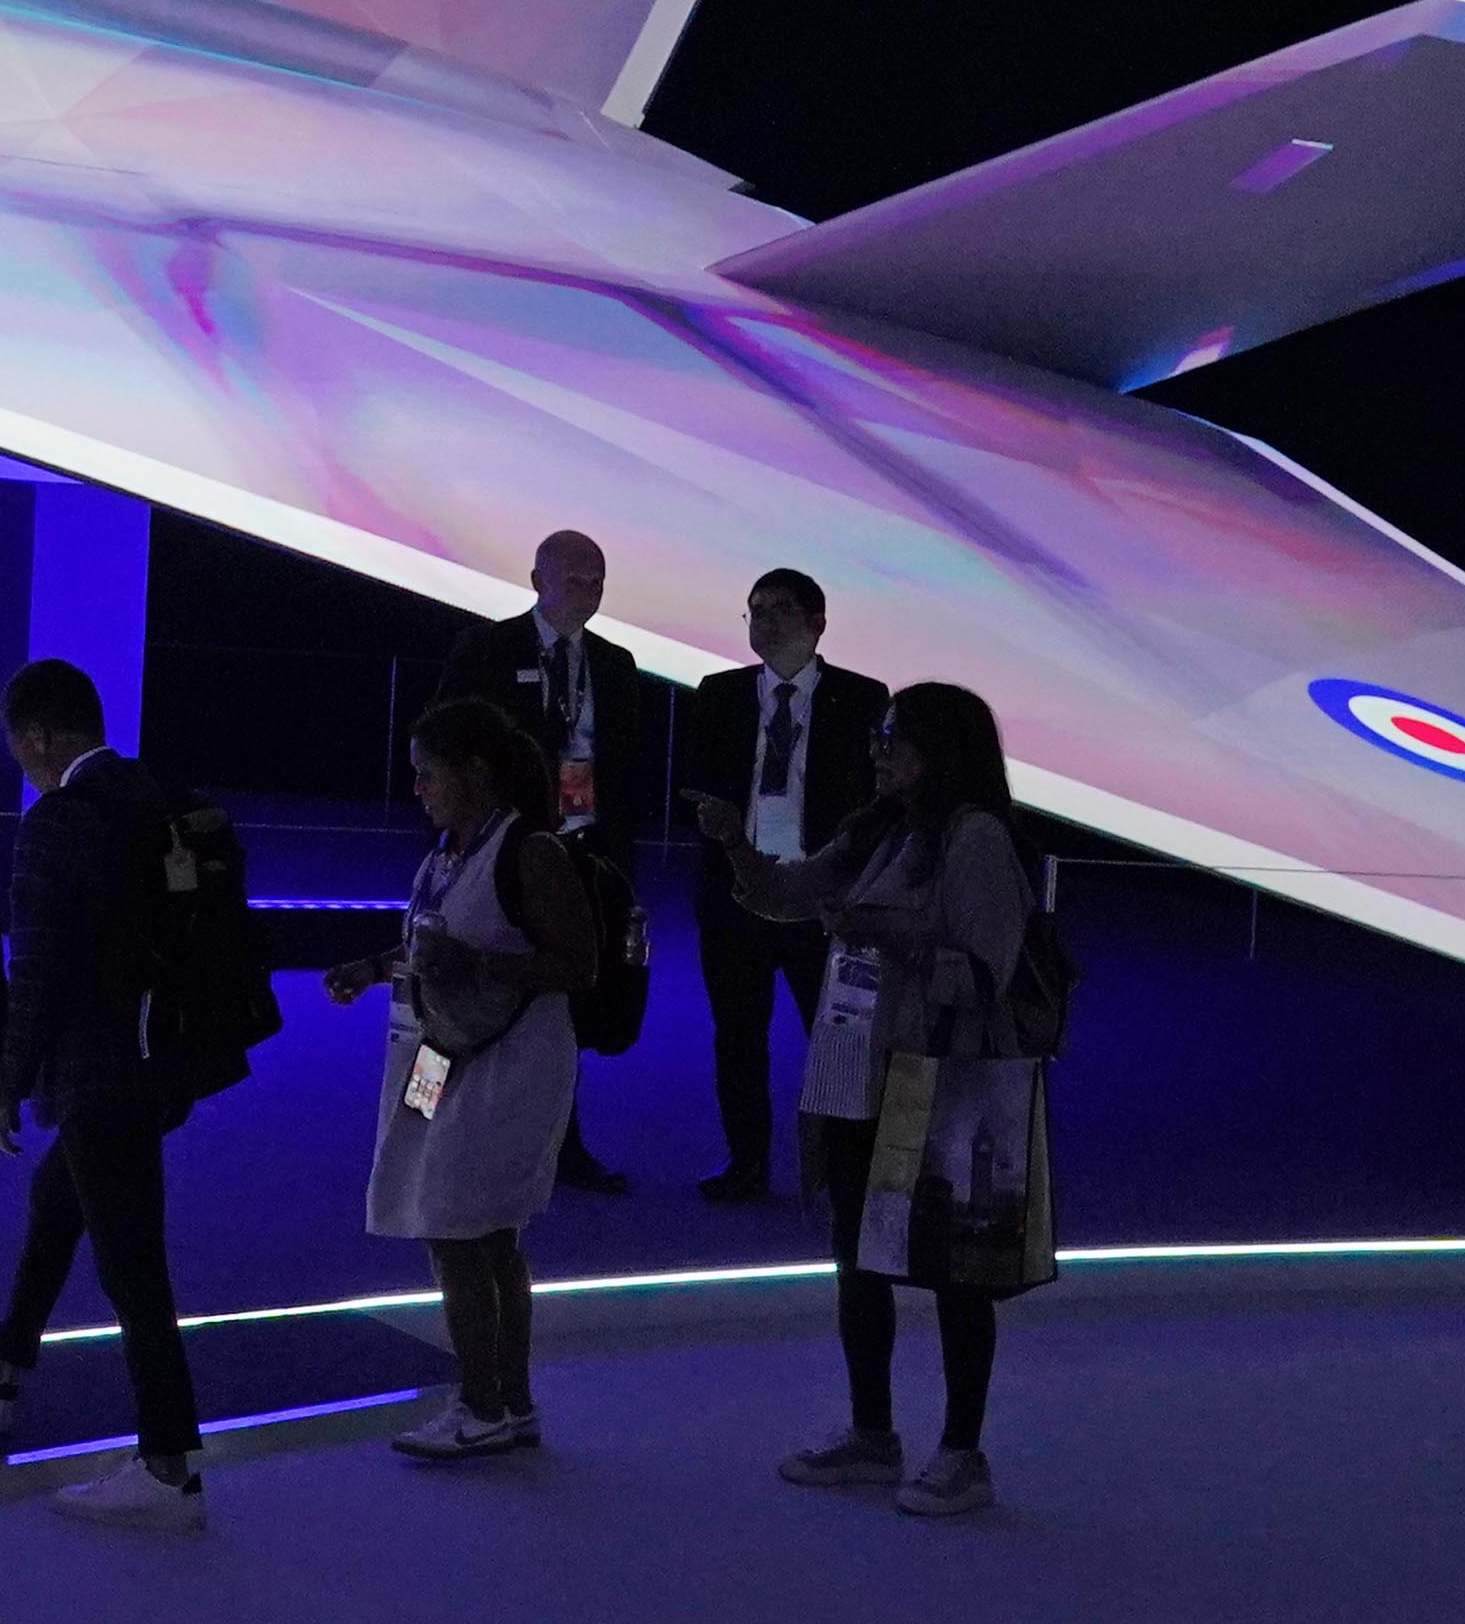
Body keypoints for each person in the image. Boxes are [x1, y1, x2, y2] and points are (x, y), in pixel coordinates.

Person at [0, 654, 269, 1530]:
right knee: (60, 1204)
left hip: (100, 1069)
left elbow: (35, 972)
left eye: (17, 747)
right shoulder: (159, 796)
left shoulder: (60, 821)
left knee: (132, 1265)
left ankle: (169, 1463)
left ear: (36, 737)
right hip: (169, 1058)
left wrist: (3, 1088)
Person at [713, 679, 1054, 1517]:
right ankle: (874, 1434)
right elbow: (790, 897)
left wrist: (886, 937)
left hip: (944, 1077)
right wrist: (735, 849)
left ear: (942, 749)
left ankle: (962, 1451)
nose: (878, 753)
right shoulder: (881, 829)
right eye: (879, 738)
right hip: (860, 1069)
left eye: (894, 738)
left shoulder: (974, 841)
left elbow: (984, 974)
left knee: (953, 1273)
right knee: (857, 1254)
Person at [330, 693, 610, 1463]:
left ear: (475, 772)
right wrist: (371, 967)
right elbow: (433, 946)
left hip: (506, 1065)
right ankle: (508, 1401)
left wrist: (478, 964)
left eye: (428, 775)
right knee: (459, 1221)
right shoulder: (448, 850)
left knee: (462, 1227)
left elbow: (579, 965)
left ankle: (483, 1403)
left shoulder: (528, 851)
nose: (417, 790)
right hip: (432, 1059)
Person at [431, 530, 646, 1195]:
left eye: (600, 580)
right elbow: (444, 737)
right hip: (500, 848)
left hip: (583, 849)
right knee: (464, 991)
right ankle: (429, 1119)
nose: (591, 591)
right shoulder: (486, 650)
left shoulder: (615, 663)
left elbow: (629, 763)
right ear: (537, 580)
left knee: (566, 999)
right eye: (578, 579)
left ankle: (562, 1140)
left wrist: (617, 858)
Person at [676, 569, 888, 1206]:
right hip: (736, 892)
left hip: (822, 899)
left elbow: (874, 798)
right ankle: (747, 1162)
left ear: (817, 622)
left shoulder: (862, 698)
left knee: (838, 1037)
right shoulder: (717, 694)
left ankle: (851, 1164)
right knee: (737, 1035)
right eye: (754, 611)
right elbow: (696, 781)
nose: (763, 622)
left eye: (778, 610)